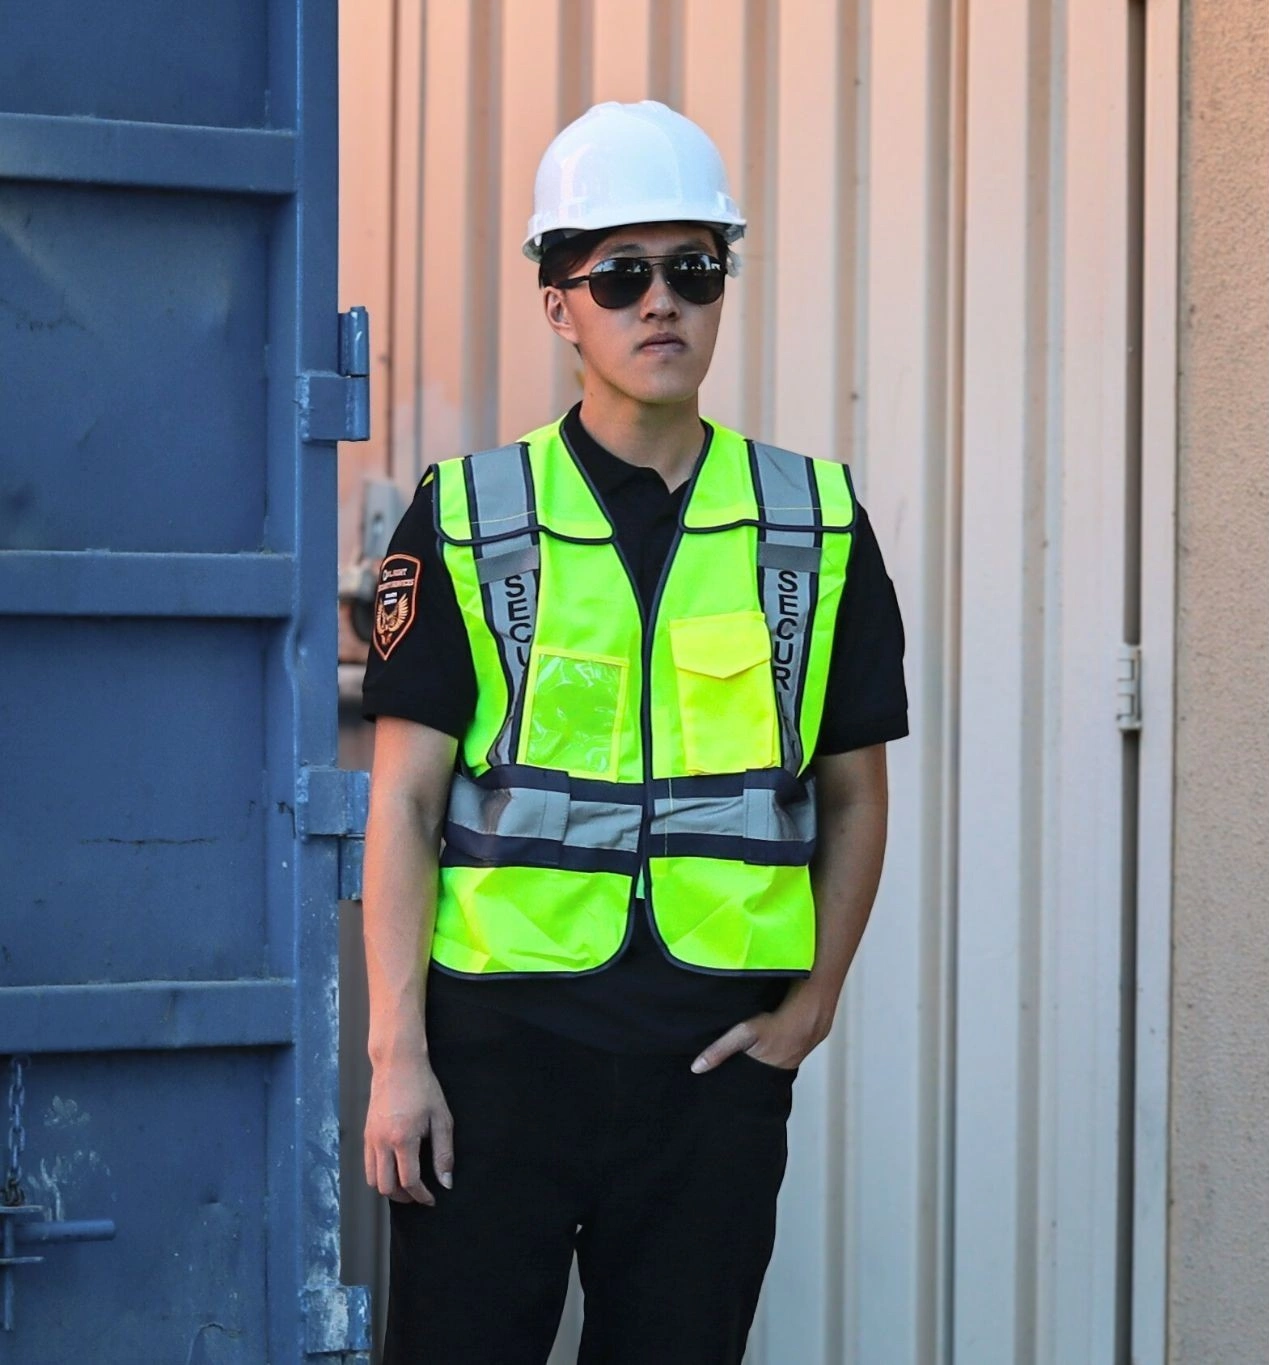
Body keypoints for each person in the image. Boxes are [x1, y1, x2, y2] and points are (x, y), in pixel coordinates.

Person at [360, 100, 907, 1365]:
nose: (661, 302)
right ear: (560, 303)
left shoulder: (813, 524)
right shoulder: (469, 514)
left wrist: (809, 1010)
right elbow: (399, 805)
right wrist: (400, 1058)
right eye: (620, 274)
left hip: (707, 1077)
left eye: (693, 270)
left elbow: (856, 797)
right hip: (497, 1064)